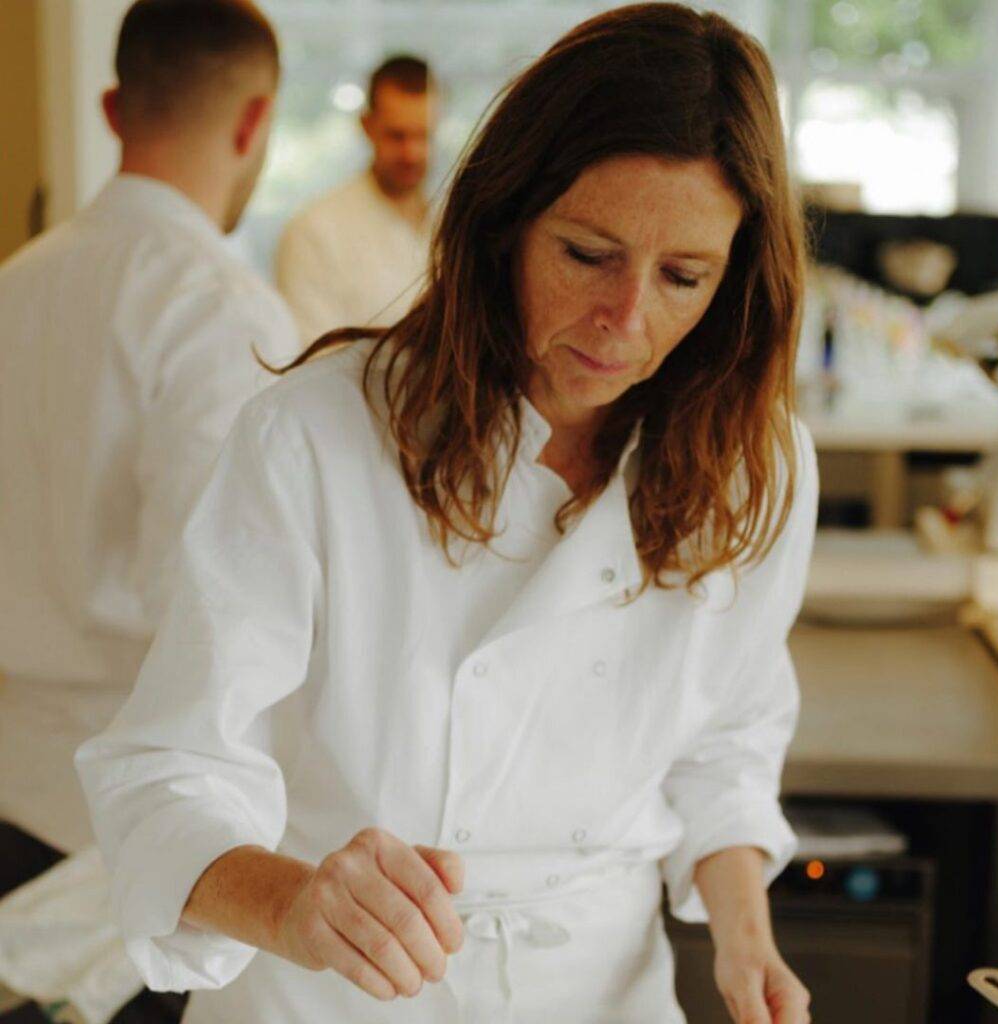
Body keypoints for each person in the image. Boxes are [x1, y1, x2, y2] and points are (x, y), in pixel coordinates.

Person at [77, 4, 818, 1022]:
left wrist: (744, 938)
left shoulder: (754, 466)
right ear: (504, 222)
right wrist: (295, 905)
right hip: (330, 991)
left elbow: (723, 743)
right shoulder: (318, 434)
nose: (626, 319)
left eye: (683, 276)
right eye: (586, 254)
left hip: (600, 988)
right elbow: (168, 768)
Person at [0, 2, 296, 1018]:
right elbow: (216, 607)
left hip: (12, 785)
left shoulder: (14, 285)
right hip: (131, 836)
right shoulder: (225, 315)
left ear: (114, 107)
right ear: (254, 122)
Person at [275, 55, 436, 343]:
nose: (411, 153)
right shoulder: (314, 232)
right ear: (367, 126)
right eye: (397, 136)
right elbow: (315, 360)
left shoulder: (453, 221)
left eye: (422, 135)